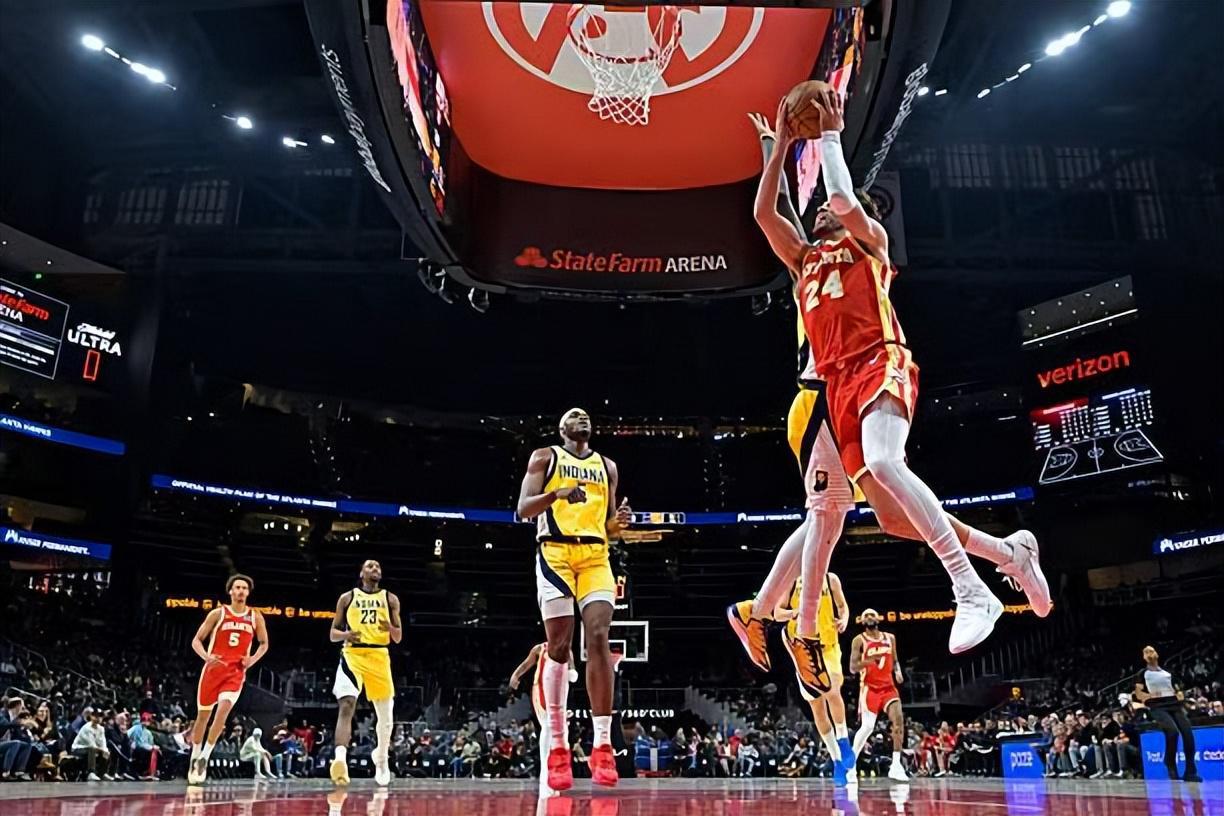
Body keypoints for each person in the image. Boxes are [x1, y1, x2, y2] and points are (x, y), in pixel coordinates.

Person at [753, 92, 1053, 654]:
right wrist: (780, 146)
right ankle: (1009, 553)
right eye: (816, 214)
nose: (819, 213)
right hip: (838, 385)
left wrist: (830, 135)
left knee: (887, 461)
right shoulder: (803, 262)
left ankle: (971, 589)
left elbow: (842, 198)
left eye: (827, 213)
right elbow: (765, 216)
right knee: (892, 518)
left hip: (880, 358)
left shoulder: (871, 244)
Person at [516, 407, 633, 790]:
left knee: (599, 636)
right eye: (575, 415)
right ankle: (558, 745)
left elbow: (609, 527)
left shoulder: (607, 467)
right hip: (555, 553)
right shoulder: (545, 457)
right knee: (559, 646)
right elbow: (523, 509)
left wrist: (620, 523)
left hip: (596, 555)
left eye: (586, 416)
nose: (583, 417)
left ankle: (603, 745)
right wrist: (557, 494)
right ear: (562, 427)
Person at [187, 574, 268, 784]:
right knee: (203, 717)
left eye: (244, 588)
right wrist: (206, 657)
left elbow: (264, 644)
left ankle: (204, 757)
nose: (241, 591)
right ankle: (195, 754)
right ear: (230, 591)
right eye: (237, 587)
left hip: (235, 672)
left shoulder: (255, 616)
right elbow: (196, 641)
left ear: (248, 592)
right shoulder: (218, 613)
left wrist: (252, 659)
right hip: (213, 670)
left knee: (222, 712)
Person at [775, 571, 855, 784]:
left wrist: (844, 619)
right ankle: (837, 761)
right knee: (817, 707)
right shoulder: (792, 582)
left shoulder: (831, 579)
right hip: (804, 652)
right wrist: (794, 613)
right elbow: (777, 613)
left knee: (833, 690)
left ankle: (843, 740)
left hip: (828, 647)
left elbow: (843, 606)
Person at [328, 559, 403, 786]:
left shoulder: (390, 599)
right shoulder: (347, 598)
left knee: (386, 717)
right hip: (353, 655)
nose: (375, 569)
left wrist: (390, 628)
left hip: (379, 656)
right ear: (361, 573)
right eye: (370, 566)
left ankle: (381, 757)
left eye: (378, 567)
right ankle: (340, 759)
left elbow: (398, 637)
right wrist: (346, 635)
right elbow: (332, 634)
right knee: (347, 704)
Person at [509, 642, 578, 798]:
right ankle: (545, 775)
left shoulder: (566, 650)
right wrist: (516, 675)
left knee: (560, 730)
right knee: (548, 726)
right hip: (540, 688)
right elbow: (526, 665)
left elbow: (573, 673)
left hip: (560, 690)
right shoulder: (539, 649)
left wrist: (571, 671)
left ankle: (556, 771)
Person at [849, 609, 906, 781]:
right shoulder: (859, 640)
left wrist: (898, 672)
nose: (869, 617)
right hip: (870, 688)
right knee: (867, 727)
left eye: (872, 614)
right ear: (862, 621)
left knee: (898, 721)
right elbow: (853, 668)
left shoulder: (890, 638)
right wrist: (869, 661)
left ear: (878, 618)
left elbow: (895, 660)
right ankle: (850, 764)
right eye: (865, 615)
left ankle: (896, 765)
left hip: (888, 688)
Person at [1133, 645, 1201, 782]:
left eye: (1151, 650)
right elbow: (1138, 694)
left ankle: (1190, 771)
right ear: (1143, 657)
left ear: (1157, 654)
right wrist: (1151, 695)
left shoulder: (1168, 672)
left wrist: (1180, 694)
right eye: (1146, 652)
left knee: (1188, 734)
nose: (1149, 653)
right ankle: (1170, 762)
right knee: (1172, 731)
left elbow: (1178, 689)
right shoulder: (1142, 674)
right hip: (1157, 707)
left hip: (1174, 705)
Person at [71, 708, 110, 781]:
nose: (98, 718)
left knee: (107, 751)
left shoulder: (101, 729)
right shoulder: (87, 728)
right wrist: (102, 750)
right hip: (78, 749)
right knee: (92, 749)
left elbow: (103, 743)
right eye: (96, 716)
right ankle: (91, 773)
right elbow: (91, 744)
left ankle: (102, 773)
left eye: (100, 716)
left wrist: (105, 750)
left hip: (91, 748)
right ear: (91, 716)